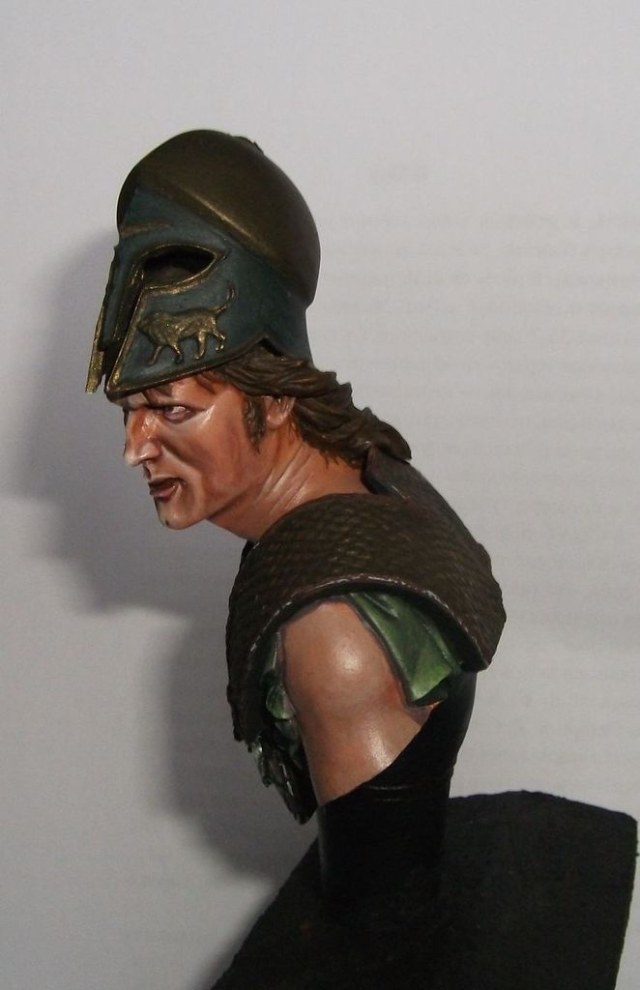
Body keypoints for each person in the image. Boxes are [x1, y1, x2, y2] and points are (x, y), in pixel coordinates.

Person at [87, 131, 635, 989]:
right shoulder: (365, 461)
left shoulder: (334, 642)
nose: (135, 448)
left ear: (273, 401)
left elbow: (378, 921)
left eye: (172, 411)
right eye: (130, 410)